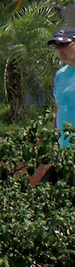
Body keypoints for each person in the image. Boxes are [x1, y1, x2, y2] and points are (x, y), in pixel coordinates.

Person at [36, 27, 75, 185]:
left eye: (64, 45)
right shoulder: (60, 75)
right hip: (64, 152)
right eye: (57, 46)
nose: (60, 50)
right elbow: (59, 109)